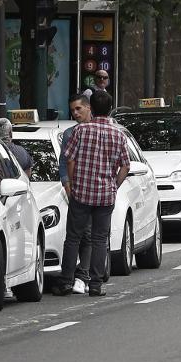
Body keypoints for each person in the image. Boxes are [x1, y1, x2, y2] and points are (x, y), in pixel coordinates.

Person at [53, 91, 129, 297]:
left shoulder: (80, 131)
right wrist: (114, 185)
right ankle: (95, 284)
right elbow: (125, 166)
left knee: (73, 238)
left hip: (82, 194)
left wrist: (74, 183)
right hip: (105, 195)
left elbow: (69, 159)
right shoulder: (118, 134)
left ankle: (66, 281)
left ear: (91, 108)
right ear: (111, 108)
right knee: (99, 239)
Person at [58, 95, 94, 293]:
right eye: (73, 110)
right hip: (76, 190)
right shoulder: (69, 133)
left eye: (79, 108)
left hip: (94, 189)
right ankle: (68, 279)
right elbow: (64, 163)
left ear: (89, 108)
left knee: (89, 235)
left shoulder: (98, 130)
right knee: (74, 236)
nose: (75, 113)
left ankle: (83, 276)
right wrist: (67, 185)